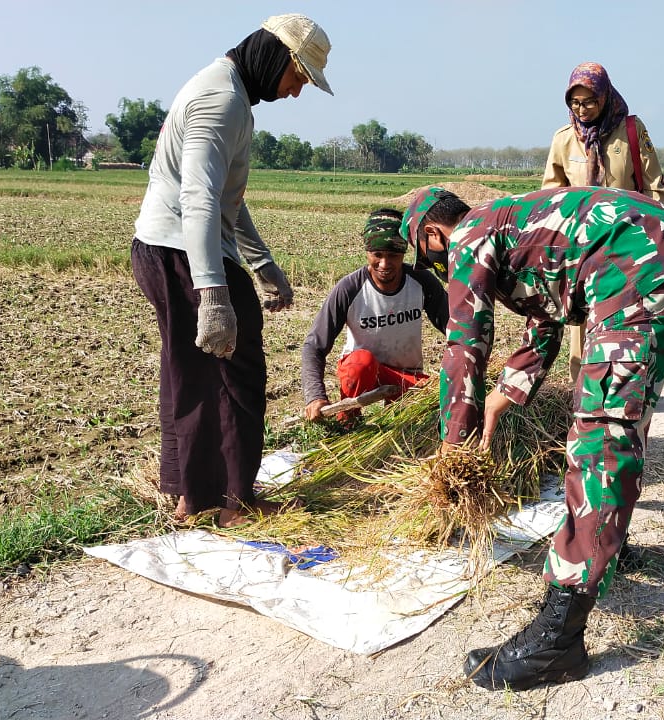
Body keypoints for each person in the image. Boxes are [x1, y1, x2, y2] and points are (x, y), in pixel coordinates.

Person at [401, 185, 664, 691]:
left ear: (434, 233)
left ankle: (558, 640)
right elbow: (546, 316)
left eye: (429, 253)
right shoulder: (510, 225)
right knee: (623, 423)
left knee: (599, 445)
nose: (441, 266)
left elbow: (463, 345)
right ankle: (605, 549)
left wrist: (452, 446)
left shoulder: (468, 238)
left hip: (634, 275)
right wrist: (505, 395)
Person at [129, 14, 333, 528]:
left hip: (163, 247)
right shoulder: (221, 102)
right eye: (299, 77)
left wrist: (261, 264)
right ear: (278, 59)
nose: (295, 92)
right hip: (184, 252)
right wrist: (214, 294)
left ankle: (189, 494)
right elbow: (199, 198)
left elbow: (227, 200)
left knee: (188, 372)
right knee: (237, 373)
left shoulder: (230, 94)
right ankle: (234, 501)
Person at [542, 62, 664, 384]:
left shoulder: (631, 130)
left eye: (589, 101)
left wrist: (657, 239)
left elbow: (654, 186)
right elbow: (550, 195)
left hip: (626, 245)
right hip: (581, 248)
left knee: (627, 319)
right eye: (575, 103)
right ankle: (583, 394)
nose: (582, 109)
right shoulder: (563, 140)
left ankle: (627, 388)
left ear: (605, 97)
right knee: (581, 323)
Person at [301, 209, 448, 424]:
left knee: (434, 399)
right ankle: (348, 422)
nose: (385, 264)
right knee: (361, 362)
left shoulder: (421, 281)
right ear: (367, 252)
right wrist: (315, 396)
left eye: (393, 255)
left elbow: (454, 325)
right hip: (361, 372)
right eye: (377, 255)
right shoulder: (349, 289)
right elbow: (314, 345)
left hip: (404, 374)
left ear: (404, 253)